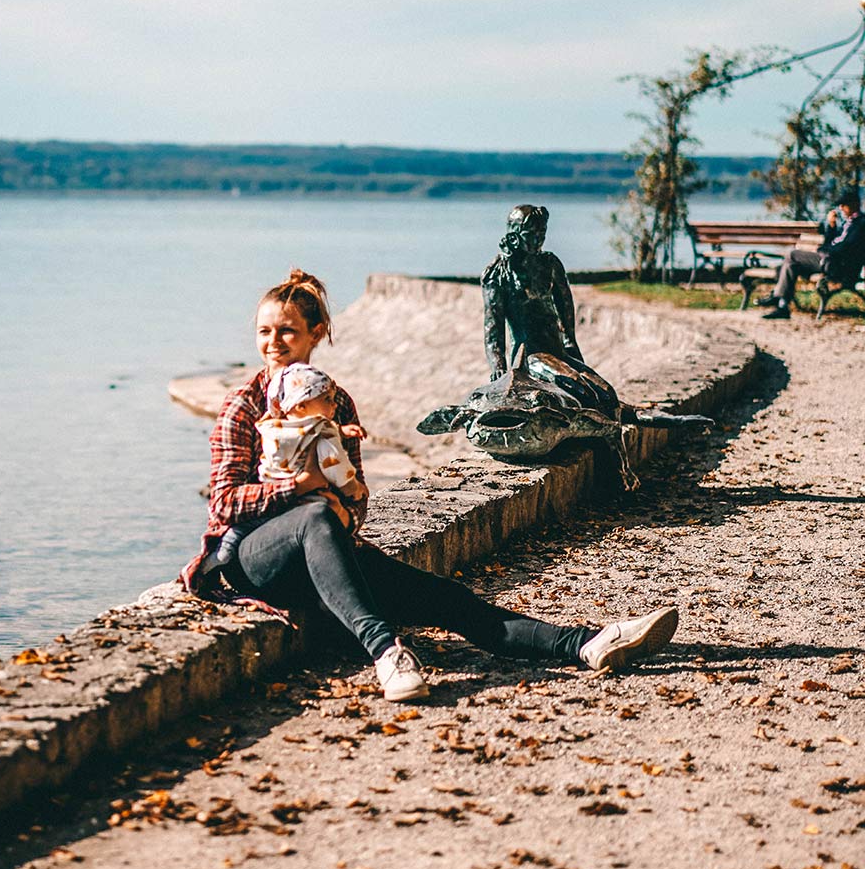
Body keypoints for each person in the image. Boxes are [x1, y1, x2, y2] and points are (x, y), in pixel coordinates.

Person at [182, 267, 679, 702]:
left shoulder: (338, 405)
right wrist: (303, 487)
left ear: (316, 333)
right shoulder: (243, 406)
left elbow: (354, 503)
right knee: (314, 515)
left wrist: (349, 506)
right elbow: (225, 505)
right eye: (265, 331)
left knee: (448, 600)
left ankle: (587, 644)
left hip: (327, 550)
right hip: (251, 562)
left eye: (287, 332)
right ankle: (387, 653)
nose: (273, 343)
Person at [208, 363, 365, 573]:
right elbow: (335, 464)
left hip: (270, 498)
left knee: (257, 523)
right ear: (301, 405)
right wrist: (352, 488)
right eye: (327, 400)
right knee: (319, 514)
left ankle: (226, 547)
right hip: (304, 506)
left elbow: (302, 429)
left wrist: (341, 431)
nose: (334, 406)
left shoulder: (271, 426)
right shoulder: (324, 431)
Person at [482, 203, 585, 375]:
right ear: (514, 236)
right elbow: (493, 330)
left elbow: (565, 305)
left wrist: (570, 341)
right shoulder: (498, 273)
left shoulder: (550, 263)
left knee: (604, 392)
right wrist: (498, 367)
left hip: (558, 352)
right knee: (575, 384)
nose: (538, 240)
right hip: (528, 358)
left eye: (542, 233)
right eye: (531, 235)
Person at [760, 189, 865, 320]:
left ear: (855, 204)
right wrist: (831, 226)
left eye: (844, 204)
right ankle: (782, 306)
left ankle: (776, 297)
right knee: (789, 266)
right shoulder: (847, 223)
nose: (841, 208)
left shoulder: (861, 224)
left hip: (839, 266)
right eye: (840, 205)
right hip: (830, 261)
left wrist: (825, 251)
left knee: (792, 255)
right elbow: (831, 243)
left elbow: (845, 248)